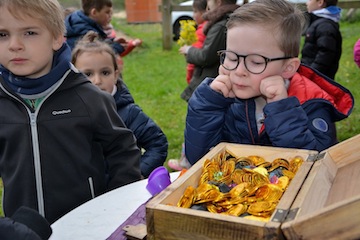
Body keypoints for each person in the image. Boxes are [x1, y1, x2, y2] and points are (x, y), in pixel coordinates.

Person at [0, 0, 141, 224]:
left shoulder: (89, 98)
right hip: (23, 229)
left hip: (87, 225)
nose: (14, 45)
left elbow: (122, 150)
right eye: (2, 34)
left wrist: (119, 207)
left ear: (57, 37)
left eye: (29, 32)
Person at [184, 0, 354, 165]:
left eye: (256, 62)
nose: (239, 71)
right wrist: (208, 106)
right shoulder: (222, 100)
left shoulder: (311, 103)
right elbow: (199, 159)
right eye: (232, 57)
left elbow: (317, 166)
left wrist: (282, 111)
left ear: (288, 68)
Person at [71, 31, 168, 178]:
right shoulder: (65, 113)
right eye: (88, 74)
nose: (97, 81)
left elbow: (157, 143)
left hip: (122, 192)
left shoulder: (129, 113)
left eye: (105, 72)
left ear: (116, 75)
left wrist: (136, 173)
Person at [168, 0, 207, 171]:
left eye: (194, 11)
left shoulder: (203, 30)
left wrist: (188, 52)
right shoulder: (208, 28)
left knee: (193, 125)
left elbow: (198, 58)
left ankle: (186, 161)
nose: (193, 16)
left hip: (199, 80)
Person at [179, 0, 239, 102]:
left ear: (218, 2)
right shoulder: (230, 20)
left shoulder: (221, 25)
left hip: (211, 82)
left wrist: (189, 50)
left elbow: (206, 56)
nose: (207, 4)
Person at [301, 0, 342, 80]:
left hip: (317, 78)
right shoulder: (319, 22)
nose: (306, 3)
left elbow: (325, 54)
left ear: (320, 2)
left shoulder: (325, 26)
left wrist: (311, 73)